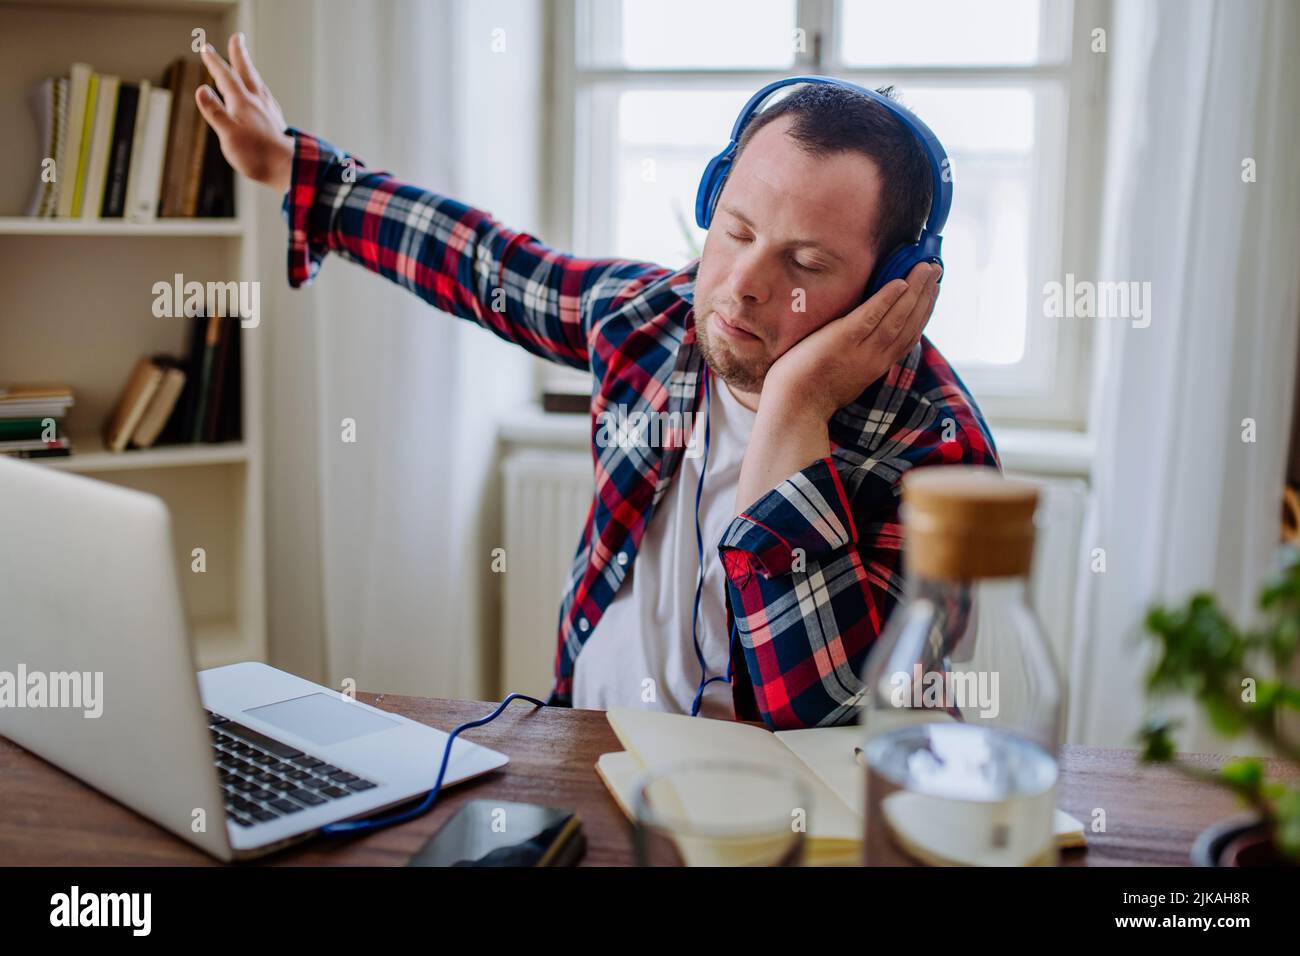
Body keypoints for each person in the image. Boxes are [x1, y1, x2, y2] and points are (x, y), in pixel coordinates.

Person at [195, 34, 998, 730]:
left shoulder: (942, 455)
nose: (741, 284)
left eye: (806, 262)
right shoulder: (653, 320)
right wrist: (303, 174)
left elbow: (824, 714)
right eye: (736, 230)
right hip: (588, 746)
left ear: (895, 285)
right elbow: (487, 266)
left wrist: (797, 409)